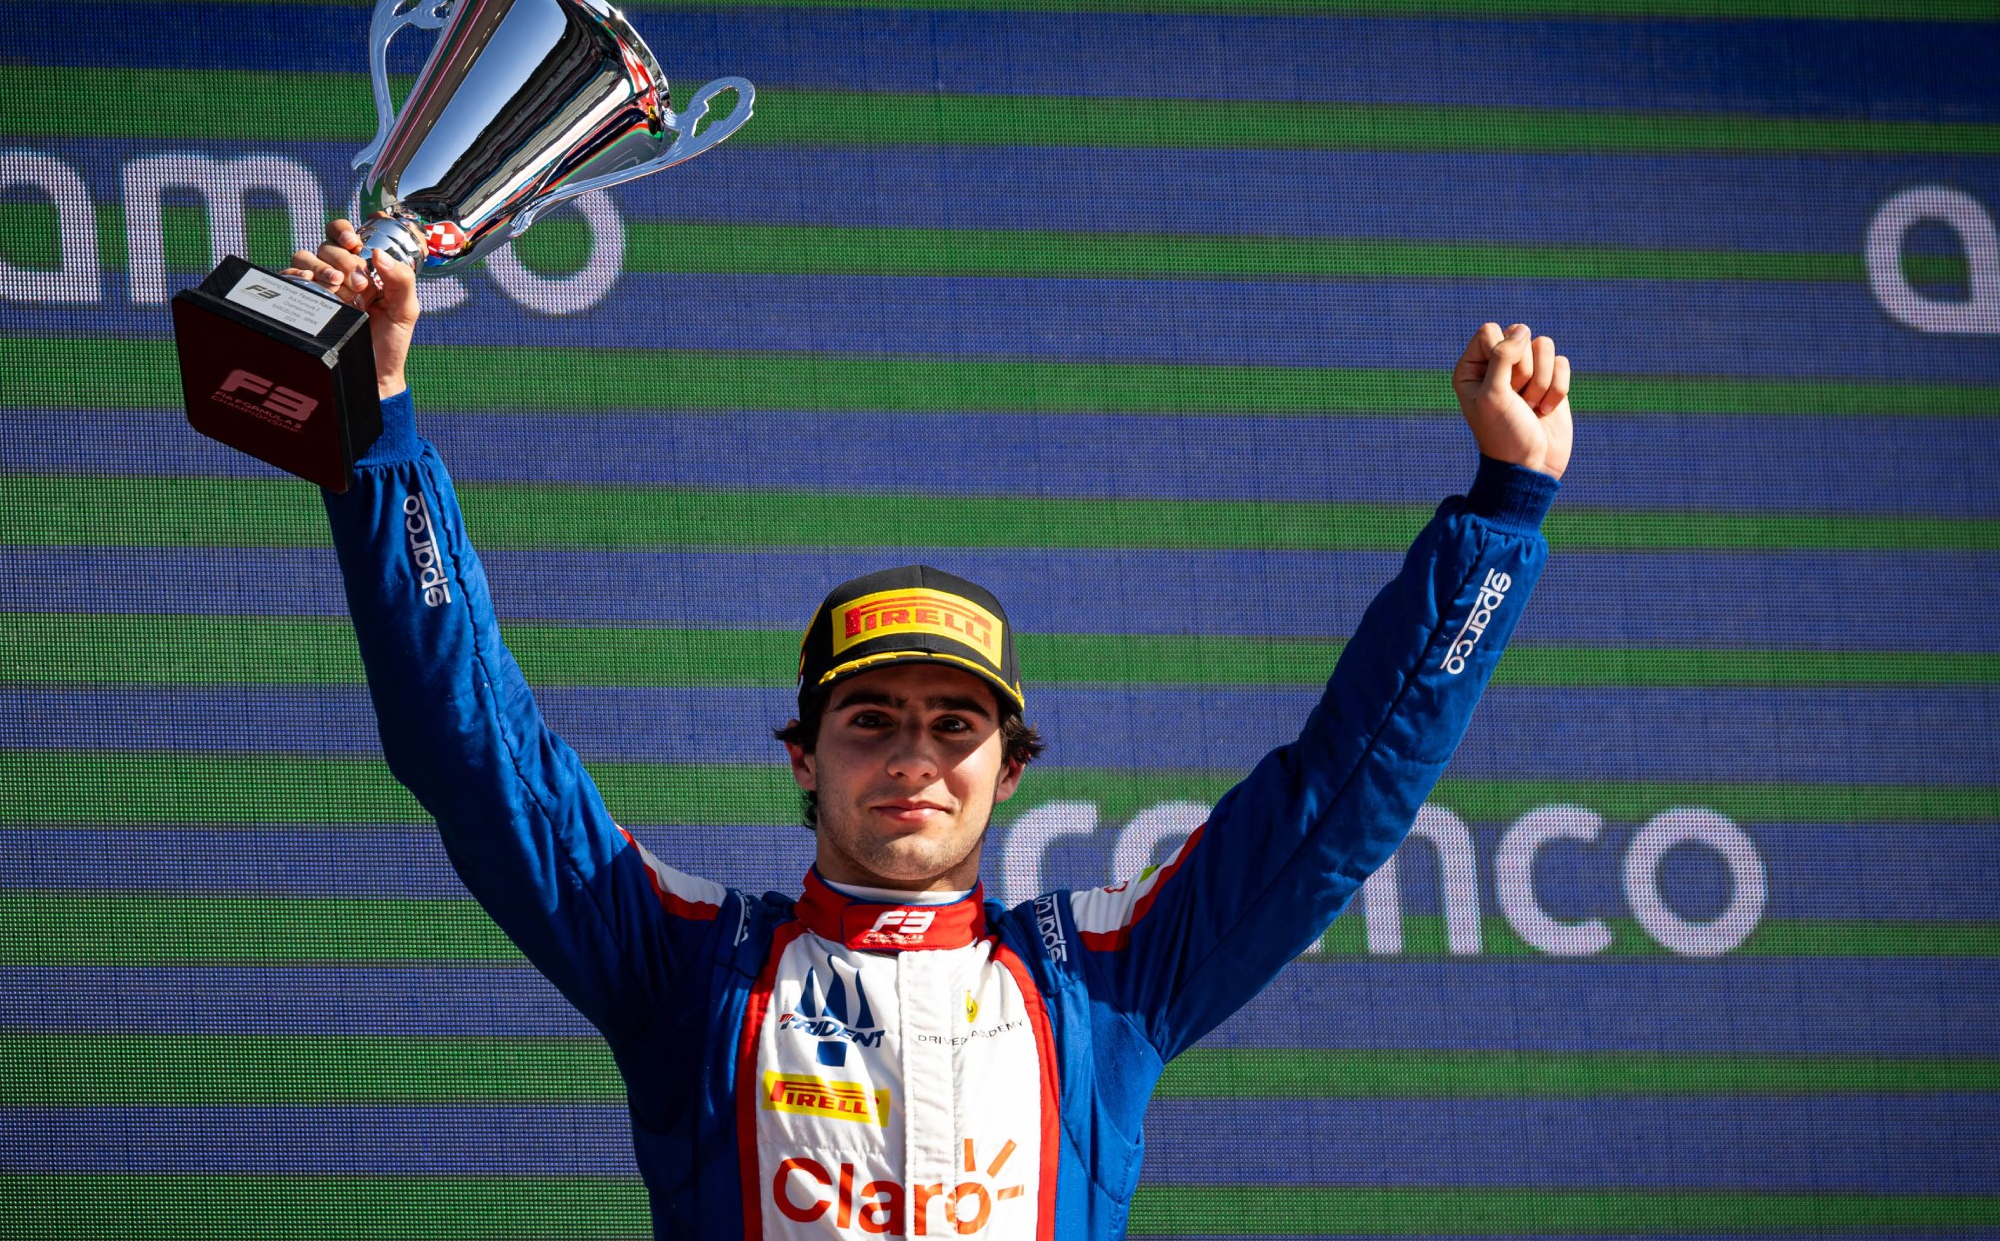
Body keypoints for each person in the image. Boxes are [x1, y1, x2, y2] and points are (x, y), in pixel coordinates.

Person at [291, 219, 1572, 1240]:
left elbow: (1341, 798)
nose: (913, 755)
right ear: (803, 758)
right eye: (870, 719)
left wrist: (1506, 507)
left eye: (956, 725)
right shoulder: (686, 964)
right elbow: (473, 749)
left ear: (1008, 773)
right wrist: (380, 420)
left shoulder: (1102, 983)